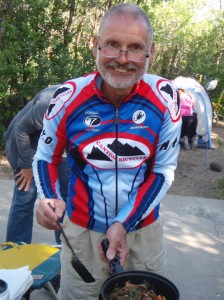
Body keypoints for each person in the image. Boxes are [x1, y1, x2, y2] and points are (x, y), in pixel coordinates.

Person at [32, 3, 182, 299]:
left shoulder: (166, 99)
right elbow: (46, 158)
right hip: (82, 233)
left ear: (150, 52)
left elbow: (163, 171)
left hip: (143, 232)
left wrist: (124, 222)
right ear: (95, 46)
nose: (123, 59)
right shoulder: (67, 97)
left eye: (135, 47)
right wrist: (48, 197)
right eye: (113, 44)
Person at [4, 85, 68, 244]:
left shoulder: (90, 108)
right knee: (25, 199)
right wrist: (27, 165)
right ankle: (16, 250)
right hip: (24, 145)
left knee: (61, 199)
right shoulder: (51, 103)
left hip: (53, 148)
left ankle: (63, 251)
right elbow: (22, 130)